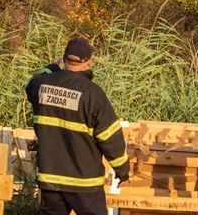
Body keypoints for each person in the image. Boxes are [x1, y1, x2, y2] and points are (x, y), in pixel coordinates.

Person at [26, 38, 129, 215]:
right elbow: (110, 137)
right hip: (84, 181)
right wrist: (123, 171)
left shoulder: (41, 86)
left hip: (50, 178)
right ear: (89, 61)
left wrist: (52, 68)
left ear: (64, 59)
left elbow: (33, 82)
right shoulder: (92, 93)